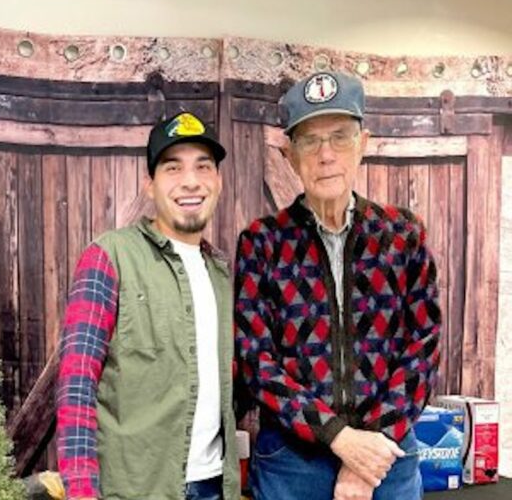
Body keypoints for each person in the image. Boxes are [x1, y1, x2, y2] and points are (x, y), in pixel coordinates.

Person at [233, 72, 441, 500]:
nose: (326, 154)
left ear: (363, 143)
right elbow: (256, 361)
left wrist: (368, 453)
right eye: (310, 141)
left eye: (340, 136)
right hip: (292, 464)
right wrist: (339, 438)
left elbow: (423, 347)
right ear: (290, 154)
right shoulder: (262, 242)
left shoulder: (403, 235)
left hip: (388, 459)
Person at [56, 112, 240, 500]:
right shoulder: (108, 257)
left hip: (214, 486)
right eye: (173, 168)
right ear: (151, 185)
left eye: (203, 166)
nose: (190, 181)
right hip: (136, 489)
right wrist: (82, 494)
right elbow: (76, 387)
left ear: (218, 182)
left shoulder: (222, 274)